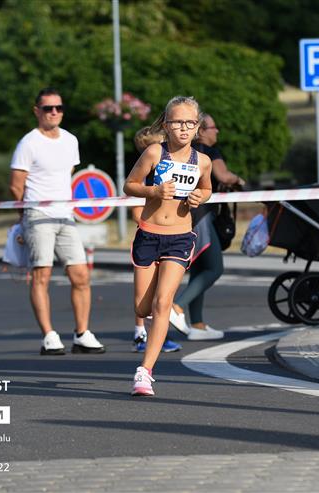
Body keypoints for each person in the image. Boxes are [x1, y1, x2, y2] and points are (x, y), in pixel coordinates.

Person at [124, 95, 212, 396]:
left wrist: (201, 196)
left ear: (197, 126)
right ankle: (149, 332)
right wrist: (154, 191)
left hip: (180, 236)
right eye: (177, 122)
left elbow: (207, 187)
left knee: (163, 303)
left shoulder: (202, 161)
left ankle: (145, 371)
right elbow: (129, 185)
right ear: (166, 124)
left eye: (190, 122)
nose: (183, 128)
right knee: (143, 307)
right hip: (149, 234)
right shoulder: (154, 152)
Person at [9, 87, 106, 355]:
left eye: (58, 108)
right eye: (48, 108)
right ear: (37, 111)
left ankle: (82, 333)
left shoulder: (70, 140)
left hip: (65, 214)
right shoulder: (28, 143)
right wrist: (25, 217)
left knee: (81, 275)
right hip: (38, 215)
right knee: (42, 275)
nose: (54, 112)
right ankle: (49, 335)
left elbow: (67, 172)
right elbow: (16, 185)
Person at [169, 113, 245, 340]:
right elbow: (223, 175)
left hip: (185, 215)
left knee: (199, 268)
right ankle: (177, 306)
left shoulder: (185, 151)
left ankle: (198, 324)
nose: (217, 131)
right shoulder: (209, 152)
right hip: (201, 216)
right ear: (201, 130)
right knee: (214, 268)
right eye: (213, 127)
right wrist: (237, 180)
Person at [130, 127, 182, 354]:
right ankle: (141, 332)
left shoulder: (171, 172)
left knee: (162, 294)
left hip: (170, 238)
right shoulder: (143, 176)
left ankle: (156, 335)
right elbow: (135, 211)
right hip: (148, 238)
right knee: (145, 297)